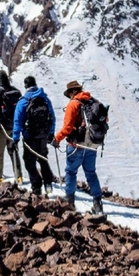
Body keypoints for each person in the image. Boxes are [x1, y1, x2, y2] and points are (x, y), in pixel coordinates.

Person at [53, 80, 104, 215]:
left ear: (71, 92)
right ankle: (98, 204)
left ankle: (70, 201)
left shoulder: (73, 104)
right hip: (92, 144)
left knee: (71, 172)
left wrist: (57, 139)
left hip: (76, 144)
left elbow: (67, 127)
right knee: (91, 173)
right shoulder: (93, 102)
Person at [11, 76, 56, 197]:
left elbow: (18, 121)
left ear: (25, 86)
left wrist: (15, 138)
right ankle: (48, 183)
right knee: (43, 158)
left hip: (29, 137)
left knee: (29, 161)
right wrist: (51, 133)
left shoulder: (23, 101)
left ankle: (36, 186)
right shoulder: (45, 99)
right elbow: (52, 117)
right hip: (43, 135)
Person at [0, 70, 24, 184]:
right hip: (14, 127)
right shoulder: (17, 92)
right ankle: (19, 176)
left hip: (0, 127)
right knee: (13, 150)